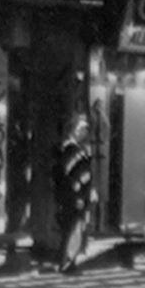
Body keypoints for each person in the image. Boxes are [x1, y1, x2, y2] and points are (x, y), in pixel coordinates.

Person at [53, 114, 97, 274]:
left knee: (72, 228)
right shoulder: (73, 151)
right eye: (81, 129)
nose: (84, 132)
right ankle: (68, 261)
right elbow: (75, 176)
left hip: (71, 196)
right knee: (73, 229)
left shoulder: (67, 150)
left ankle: (67, 260)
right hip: (74, 197)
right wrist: (79, 195)